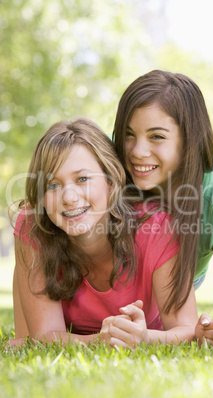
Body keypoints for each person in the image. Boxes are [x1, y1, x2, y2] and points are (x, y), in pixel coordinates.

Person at [9, 118, 198, 348]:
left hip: (146, 333)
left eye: (83, 179)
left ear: (111, 182)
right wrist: (102, 340)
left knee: (22, 344)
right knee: (22, 343)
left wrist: (145, 338)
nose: (68, 198)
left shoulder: (157, 227)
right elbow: (45, 336)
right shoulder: (33, 227)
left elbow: (187, 330)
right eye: (53, 185)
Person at [113, 69, 213, 344]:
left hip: (168, 315)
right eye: (129, 134)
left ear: (189, 139)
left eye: (156, 136)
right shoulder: (112, 180)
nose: (136, 151)